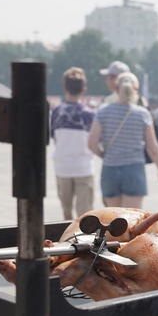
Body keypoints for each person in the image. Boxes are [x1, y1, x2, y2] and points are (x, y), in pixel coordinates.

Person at [87, 72, 158, 209]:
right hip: (134, 168)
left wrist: (104, 155)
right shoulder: (143, 114)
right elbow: (153, 148)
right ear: (135, 90)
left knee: (114, 219)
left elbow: (91, 143)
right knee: (132, 218)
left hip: (110, 168)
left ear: (116, 89)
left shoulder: (103, 111)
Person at [50, 67, 96, 220]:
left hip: (63, 167)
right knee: (85, 214)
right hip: (83, 167)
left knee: (66, 214)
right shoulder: (89, 114)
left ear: (65, 89)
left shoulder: (56, 112)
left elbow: (55, 139)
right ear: (84, 90)